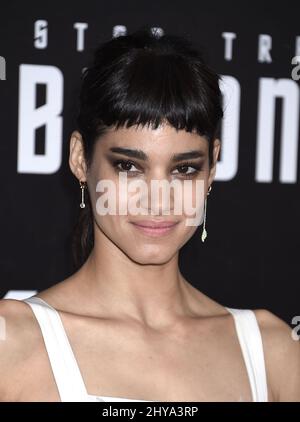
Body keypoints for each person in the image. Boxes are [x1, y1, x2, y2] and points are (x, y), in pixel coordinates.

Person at [0, 27, 299, 402]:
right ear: (80, 159)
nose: (159, 199)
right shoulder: (11, 344)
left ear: (212, 168)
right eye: (128, 166)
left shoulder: (274, 352)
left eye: (184, 169)